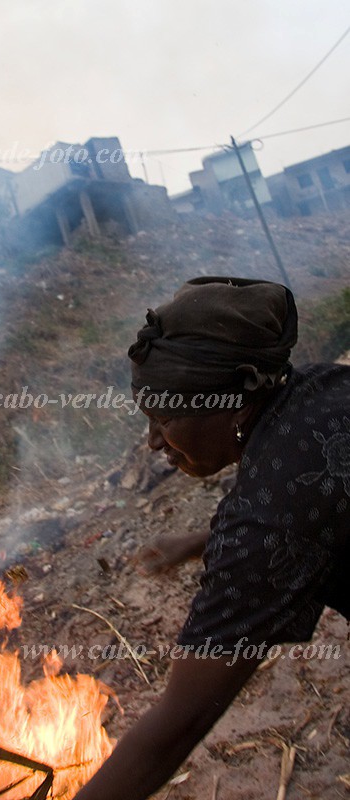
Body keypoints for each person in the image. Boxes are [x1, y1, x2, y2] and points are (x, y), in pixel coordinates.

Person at [74, 276, 349, 800]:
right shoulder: (318, 389)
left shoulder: (264, 528)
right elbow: (315, 509)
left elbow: (177, 725)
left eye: (165, 417)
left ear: (237, 400)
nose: (153, 441)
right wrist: (203, 538)